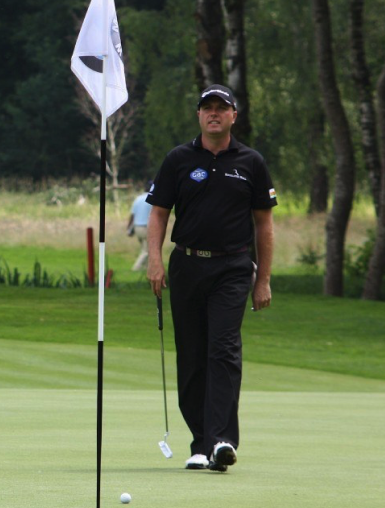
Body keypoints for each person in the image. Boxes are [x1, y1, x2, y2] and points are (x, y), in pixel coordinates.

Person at [145, 85, 275, 472]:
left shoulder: (251, 162)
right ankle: (200, 442)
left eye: (222, 108)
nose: (214, 113)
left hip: (233, 268)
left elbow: (264, 224)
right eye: (207, 108)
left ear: (234, 115)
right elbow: (158, 213)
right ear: (199, 115)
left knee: (223, 348)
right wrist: (155, 260)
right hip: (187, 264)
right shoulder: (179, 159)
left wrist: (263, 278)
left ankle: (221, 441)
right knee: (192, 353)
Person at [127, 182, 153, 271]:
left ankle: (146, 268)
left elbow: (132, 215)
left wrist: (129, 228)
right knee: (147, 251)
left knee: (144, 248)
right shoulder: (152, 199)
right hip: (146, 227)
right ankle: (136, 268)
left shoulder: (138, 199)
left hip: (137, 227)